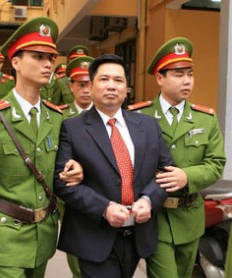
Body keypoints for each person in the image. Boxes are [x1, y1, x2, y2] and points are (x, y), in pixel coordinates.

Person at [0, 17, 83, 278]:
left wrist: (76, 167)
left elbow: (64, 165)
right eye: (38, 56)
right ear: (16, 62)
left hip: (44, 234)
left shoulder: (57, 118)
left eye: (51, 58)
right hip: (7, 234)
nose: (47, 64)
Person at [54, 53, 174, 278]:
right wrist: (104, 208)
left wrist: (149, 199)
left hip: (138, 234)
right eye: (104, 79)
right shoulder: (72, 128)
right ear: (91, 85)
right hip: (94, 235)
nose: (112, 86)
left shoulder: (147, 126)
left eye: (118, 80)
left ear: (127, 88)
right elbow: (63, 184)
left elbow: (166, 170)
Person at [128, 37, 226, 278]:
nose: (187, 81)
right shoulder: (137, 117)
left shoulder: (206, 118)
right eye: (178, 74)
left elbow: (216, 164)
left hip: (190, 217)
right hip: (155, 217)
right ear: (160, 78)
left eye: (190, 74)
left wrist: (187, 176)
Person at [58, 55, 94, 278]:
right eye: (81, 85)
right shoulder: (59, 116)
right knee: (77, 257)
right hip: (70, 197)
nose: (86, 90)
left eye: (90, 84)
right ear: (71, 86)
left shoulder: (107, 115)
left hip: (101, 194)